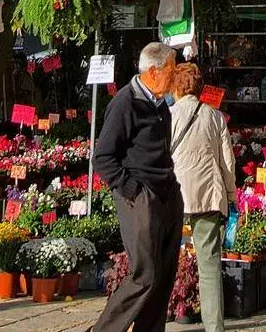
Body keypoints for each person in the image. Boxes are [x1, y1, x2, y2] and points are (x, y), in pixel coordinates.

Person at [92, 42, 183, 332]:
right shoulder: (125, 102)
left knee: (164, 274)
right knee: (145, 274)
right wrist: (131, 189)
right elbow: (103, 157)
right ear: (154, 72)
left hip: (167, 194)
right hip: (141, 198)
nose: (176, 75)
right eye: (172, 69)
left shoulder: (161, 107)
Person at [169, 63, 235, 332]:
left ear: (176, 87)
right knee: (209, 265)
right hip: (208, 194)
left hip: (173, 195)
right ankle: (214, 327)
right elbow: (227, 161)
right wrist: (230, 195)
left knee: (164, 262)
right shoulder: (215, 116)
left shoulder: (168, 116)